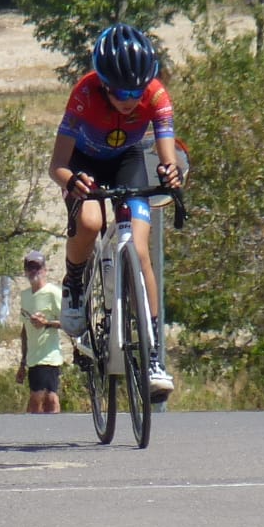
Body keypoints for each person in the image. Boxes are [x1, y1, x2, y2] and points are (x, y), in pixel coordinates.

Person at [50, 23, 183, 399]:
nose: (130, 99)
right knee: (90, 222)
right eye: (122, 92)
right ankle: (74, 284)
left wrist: (170, 173)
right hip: (84, 163)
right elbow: (56, 164)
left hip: (127, 160)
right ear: (104, 84)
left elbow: (166, 153)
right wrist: (71, 180)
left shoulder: (155, 95)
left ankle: (155, 355)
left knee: (140, 251)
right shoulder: (84, 94)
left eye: (136, 91)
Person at [16, 248, 63, 415]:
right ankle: (36, 433)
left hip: (50, 356)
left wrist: (47, 323)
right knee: (37, 400)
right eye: (30, 268)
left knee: (48, 397)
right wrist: (22, 363)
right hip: (33, 359)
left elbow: (68, 323)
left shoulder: (53, 293)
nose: (33, 271)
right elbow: (24, 330)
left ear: (44, 269)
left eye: (37, 267)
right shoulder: (25, 295)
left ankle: (52, 431)